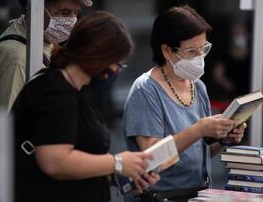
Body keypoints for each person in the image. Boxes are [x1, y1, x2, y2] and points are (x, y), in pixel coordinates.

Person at [12, 11, 159, 202]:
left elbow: (82, 160)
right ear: (98, 55)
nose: (115, 71)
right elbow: (55, 162)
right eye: (116, 64)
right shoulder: (53, 90)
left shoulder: (75, 92)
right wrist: (117, 162)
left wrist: (121, 175)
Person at [123, 6, 246, 201]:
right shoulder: (145, 90)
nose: (199, 58)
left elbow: (200, 152)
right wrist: (198, 129)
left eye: (203, 49)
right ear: (167, 51)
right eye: (191, 51)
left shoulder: (197, 86)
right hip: (159, 196)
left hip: (198, 194)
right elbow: (151, 159)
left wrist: (223, 139)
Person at [0, 0, 90, 111]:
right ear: (34, 8)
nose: (71, 21)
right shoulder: (18, 58)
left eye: (76, 13)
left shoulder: (43, 40)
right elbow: (13, 124)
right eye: (64, 13)